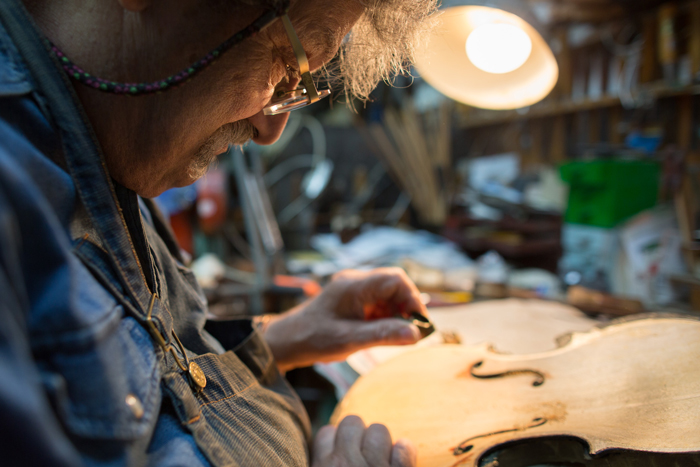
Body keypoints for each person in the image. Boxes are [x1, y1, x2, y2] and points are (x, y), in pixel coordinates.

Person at [0, 0, 436, 465]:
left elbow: (153, 371)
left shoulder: (116, 150)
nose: (272, 129)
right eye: (285, 61)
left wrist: (282, 339)